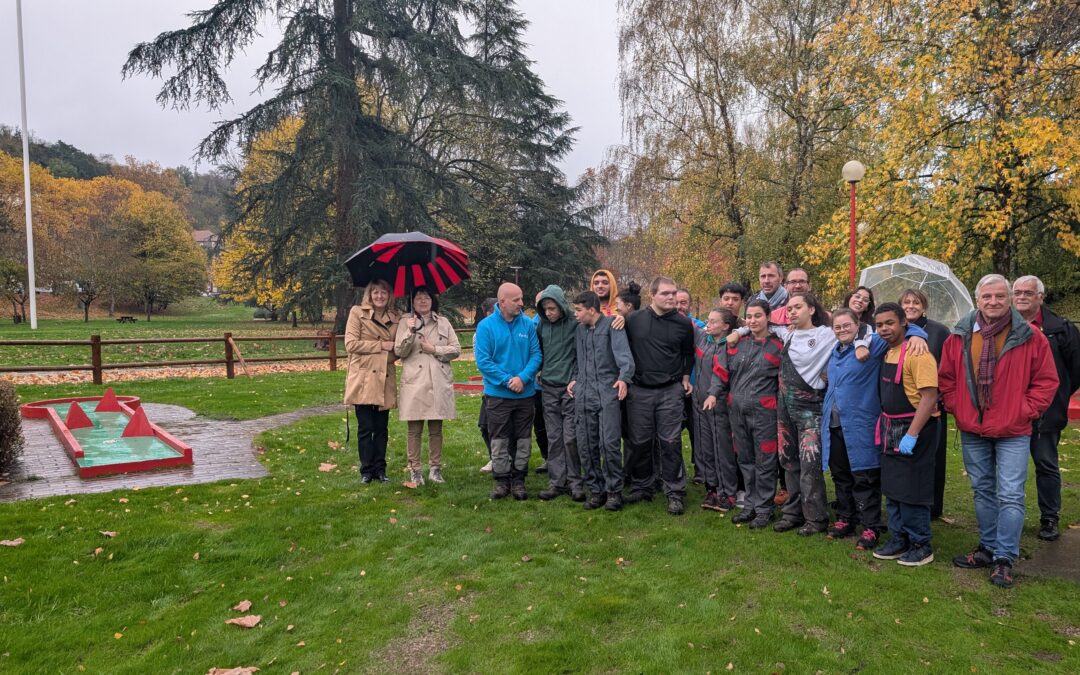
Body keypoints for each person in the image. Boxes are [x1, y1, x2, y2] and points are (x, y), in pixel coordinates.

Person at [941, 274, 1058, 588]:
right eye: (987, 297)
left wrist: (1026, 410)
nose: (993, 302)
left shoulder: (1031, 336)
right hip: (972, 427)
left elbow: (1047, 382)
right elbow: (947, 378)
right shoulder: (960, 336)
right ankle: (987, 547)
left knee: (1010, 495)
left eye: (999, 297)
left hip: (1013, 429)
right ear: (978, 300)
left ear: (1009, 300)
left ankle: (1004, 557)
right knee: (982, 491)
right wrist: (959, 407)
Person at [731, 292, 854, 535]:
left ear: (811, 309)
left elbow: (860, 332)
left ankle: (815, 518)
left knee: (810, 465)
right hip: (784, 409)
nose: (792, 312)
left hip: (810, 411)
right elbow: (758, 325)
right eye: (789, 309)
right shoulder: (786, 333)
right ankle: (792, 513)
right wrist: (739, 331)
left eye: (798, 307)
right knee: (789, 463)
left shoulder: (826, 333)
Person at [869, 303, 941, 567]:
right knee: (893, 487)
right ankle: (898, 538)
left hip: (915, 427)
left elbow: (929, 397)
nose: (884, 329)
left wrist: (912, 434)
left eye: (890, 323)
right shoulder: (887, 352)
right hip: (890, 426)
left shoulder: (918, 354)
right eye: (879, 325)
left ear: (904, 324)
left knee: (913, 489)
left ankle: (921, 544)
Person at [1012, 275, 1080, 542]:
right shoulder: (1002, 325)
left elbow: (1075, 370)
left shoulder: (1060, 328)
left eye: (1028, 292)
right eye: (1017, 292)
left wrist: (1057, 395)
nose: (1022, 297)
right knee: (1007, 468)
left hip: (1046, 412)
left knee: (1045, 463)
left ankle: (1049, 517)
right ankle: (1007, 517)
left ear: (1041, 296)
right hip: (1010, 411)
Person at [624, 276, 695, 515]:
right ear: (652, 295)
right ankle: (643, 485)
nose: (671, 297)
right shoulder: (633, 320)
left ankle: (674, 491)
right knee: (640, 441)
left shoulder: (683, 324)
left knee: (671, 442)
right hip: (640, 390)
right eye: (665, 293)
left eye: (674, 293)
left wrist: (685, 377)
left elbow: (688, 354)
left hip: (670, 391)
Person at [474, 282, 543, 500]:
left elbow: (536, 355)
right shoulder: (485, 327)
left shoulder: (528, 325)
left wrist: (523, 378)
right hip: (498, 395)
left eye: (521, 298)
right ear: (502, 302)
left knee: (523, 439)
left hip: (525, 393)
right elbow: (484, 361)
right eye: (516, 300)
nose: (522, 303)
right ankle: (502, 481)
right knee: (499, 440)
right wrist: (507, 381)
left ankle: (519, 480)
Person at [569, 291, 636, 511]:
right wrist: (575, 380)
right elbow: (578, 360)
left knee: (609, 444)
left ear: (591, 309)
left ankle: (613, 492)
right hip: (584, 394)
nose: (576, 314)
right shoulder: (579, 331)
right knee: (586, 443)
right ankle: (596, 491)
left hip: (607, 393)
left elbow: (625, 358)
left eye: (578, 310)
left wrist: (624, 379)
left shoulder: (612, 326)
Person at [394, 288, 461, 486]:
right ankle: (415, 469)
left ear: (433, 300)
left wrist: (435, 349)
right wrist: (410, 331)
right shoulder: (405, 322)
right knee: (414, 430)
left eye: (426, 296)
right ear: (412, 302)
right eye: (418, 297)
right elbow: (400, 351)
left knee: (436, 429)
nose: (423, 300)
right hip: (415, 381)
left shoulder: (443, 322)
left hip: (438, 380)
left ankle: (435, 468)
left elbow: (456, 350)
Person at [728, 300, 785, 528]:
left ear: (767, 317)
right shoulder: (739, 344)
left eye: (757, 316)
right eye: (749, 316)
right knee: (745, 460)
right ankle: (750, 505)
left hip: (764, 413)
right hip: (738, 411)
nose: (753, 321)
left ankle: (764, 508)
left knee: (765, 461)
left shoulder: (779, 346)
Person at [898, 288, 950, 519]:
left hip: (932, 402)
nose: (910, 306)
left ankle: (933, 506)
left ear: (924, 306)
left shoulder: (939, 331)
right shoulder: (896, 331)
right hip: (901, 402)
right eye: (906, 302)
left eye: (916, 302)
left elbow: (949, 366)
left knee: (934, 458)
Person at [344, 279, 400, 484]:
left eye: (384, 293)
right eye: (375, 292)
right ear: (369, 294)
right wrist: (381, 346)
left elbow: (398, 350)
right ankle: (366, 470)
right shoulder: (357, 313)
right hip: (364, 379)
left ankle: (381, 469)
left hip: (384, 377)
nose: (379, 296)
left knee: (382, 428)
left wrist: (404, 336)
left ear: (389, 295)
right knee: (366, 427)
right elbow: (350, 344)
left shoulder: (396, 318)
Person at [536, 285, 585, 502]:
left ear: (561, 306)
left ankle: (576, 481)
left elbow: (581, 354)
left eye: (552, 308)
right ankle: (557, 482)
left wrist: (575, 377)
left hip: (569, 389)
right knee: (554, 437)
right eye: (545, 309)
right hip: (548, 387)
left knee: (571, 437)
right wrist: (539, 369)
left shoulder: (575, 325)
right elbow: (539, 352)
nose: (549, 313)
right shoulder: (541, 326)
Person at [696, 308, 739, 511]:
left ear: (726, 326)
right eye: (708, 320)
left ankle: (728, 493)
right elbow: (686, 321)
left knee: (722, 449)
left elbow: (720, 374)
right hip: (701, 403)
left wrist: (714, 394)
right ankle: (712, 487)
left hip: (719, 404)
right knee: (706, 448)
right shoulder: (703, 339)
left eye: (714, 322)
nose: (708, 324)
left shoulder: (729, 345)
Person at [476, 297, 498, 473]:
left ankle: (507, 459)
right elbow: (483, 361)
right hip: (491, 387)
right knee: (485, 425)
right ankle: (495, 458)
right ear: (487, 313)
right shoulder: (482, 332)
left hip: (512, 385)